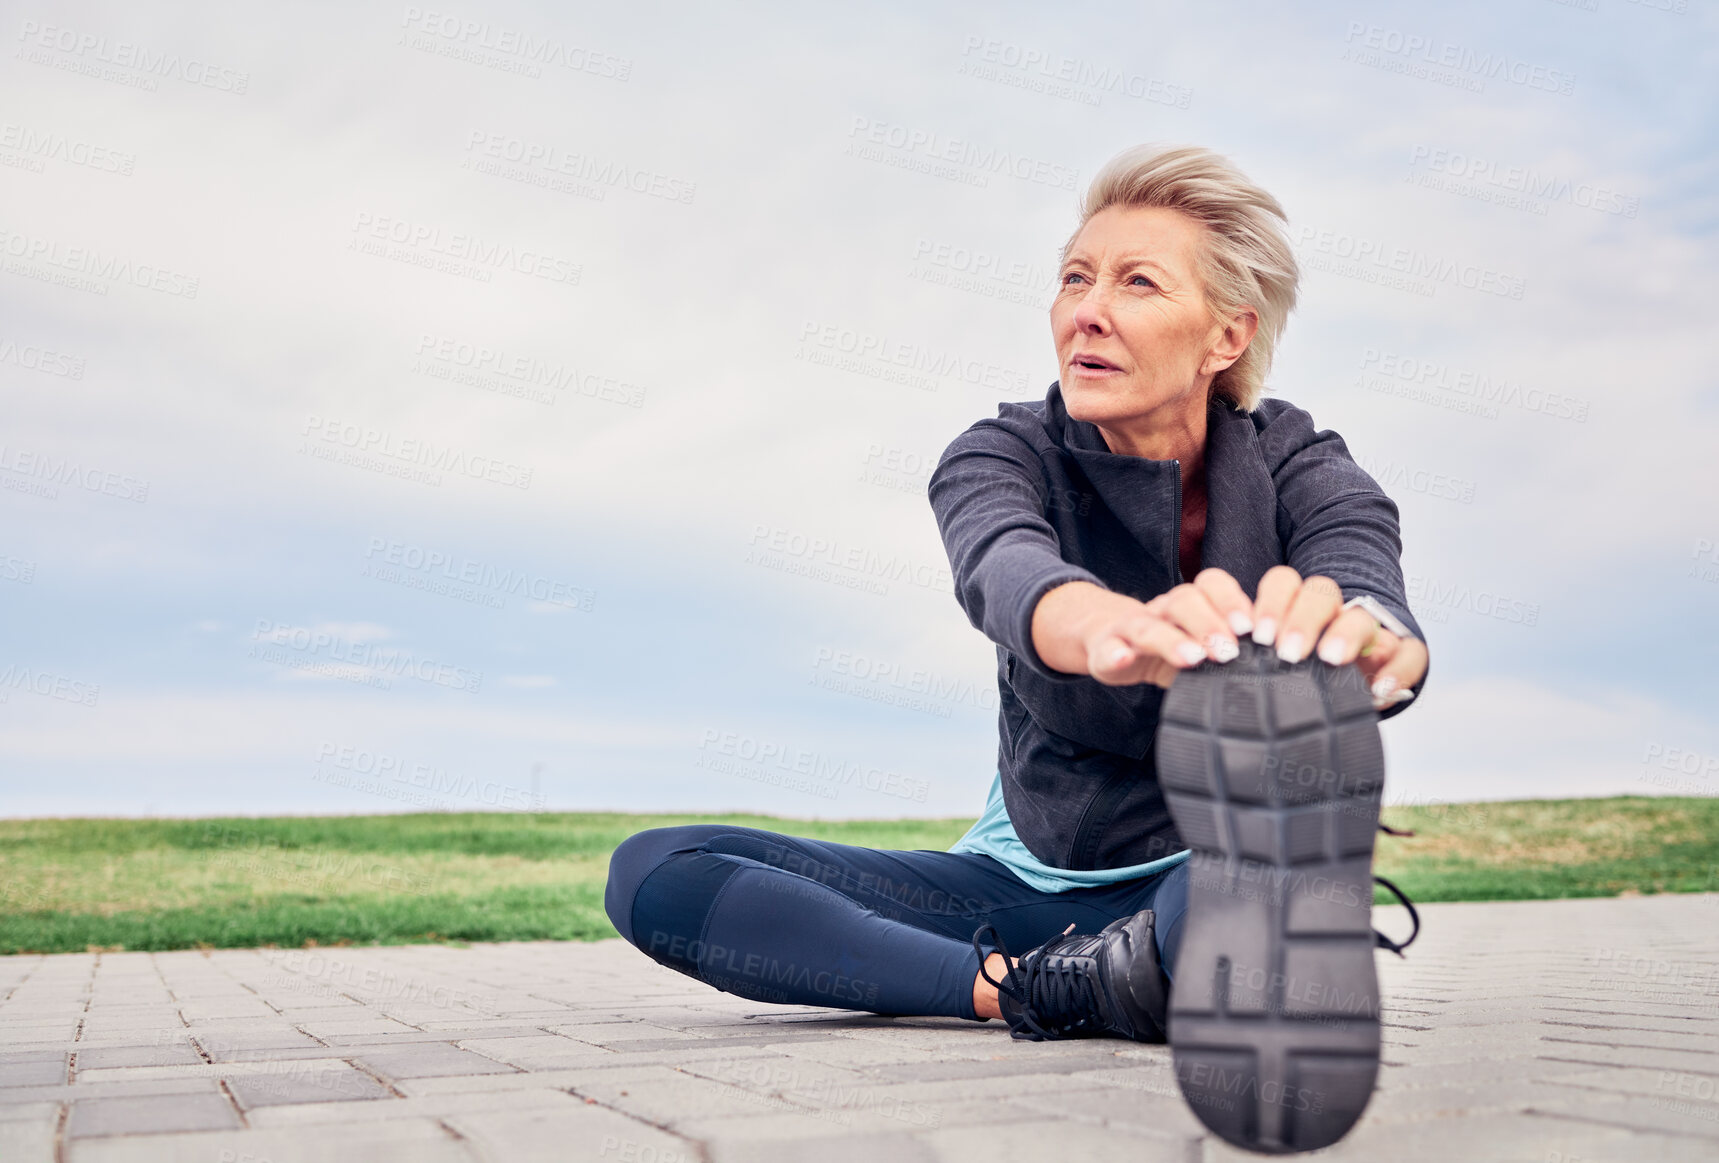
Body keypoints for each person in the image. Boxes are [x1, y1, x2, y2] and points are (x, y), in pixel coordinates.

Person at [605, 144, 1428, 1153]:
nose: (1086, 308)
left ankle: (1222, 941)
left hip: (1197, 874)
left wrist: (1371, 647)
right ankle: (1034, 990)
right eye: (1075, 276)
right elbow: (1006, 569)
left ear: (1227, 333)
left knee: (1253, 883)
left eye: (1135, 282)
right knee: (659, 867)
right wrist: (1109, 629)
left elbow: (1363, 569)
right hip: (1011, 890)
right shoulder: (1003, 453)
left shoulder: (1300, 461)